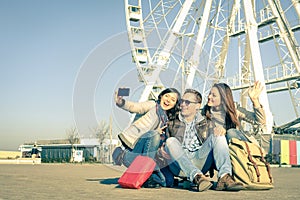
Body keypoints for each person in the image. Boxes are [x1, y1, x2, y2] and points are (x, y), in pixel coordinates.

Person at [160, 88, 244, 192]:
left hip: (200, 159)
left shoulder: (208, 122)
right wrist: (162, 146)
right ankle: (196, 176)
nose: (183, 104)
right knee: (170, 141)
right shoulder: (171, 122)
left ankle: (225, 177)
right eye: (182, 101)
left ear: (197, 106)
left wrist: (222, 130)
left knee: (219, 135)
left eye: (188, 102)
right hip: (179, 164)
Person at [112, 87, 181, 187]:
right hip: (132, 151)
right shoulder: (153, 105)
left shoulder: (166, 119)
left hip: (145, 156)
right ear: (161, 96)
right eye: (167, 96)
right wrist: (121, 102)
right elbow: (135, 107)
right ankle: (141, 172)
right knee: (154, 134)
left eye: (173, 100)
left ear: (175, 104)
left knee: (167, 181)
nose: (168, 100)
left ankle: (149, 177)